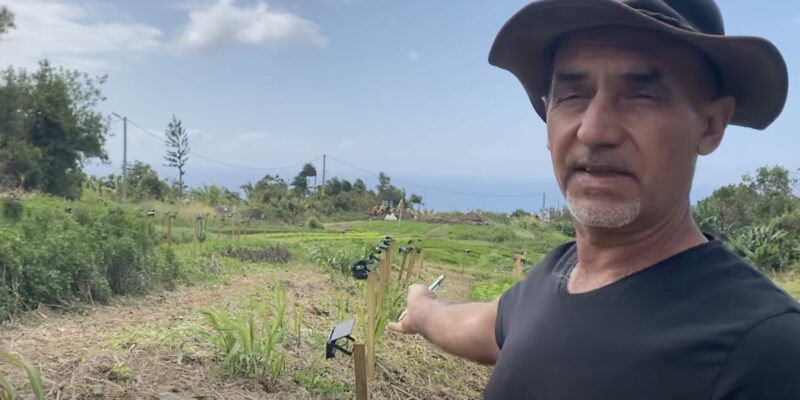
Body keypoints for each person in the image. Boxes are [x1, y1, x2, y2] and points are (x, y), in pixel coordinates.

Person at [388, 1, 800, 398]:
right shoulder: (555, 276)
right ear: (549, 119)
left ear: (710, 126)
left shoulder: (765, 351)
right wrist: (422, 309)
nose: (594, 130)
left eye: (642, 96)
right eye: (573, 96)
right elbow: (481, 325)